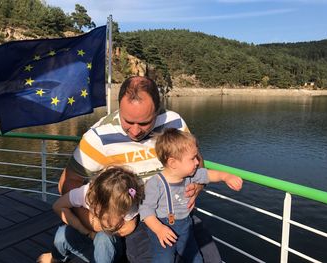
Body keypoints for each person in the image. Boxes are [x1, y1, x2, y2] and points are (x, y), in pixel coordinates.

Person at [58, 76, 229, 262]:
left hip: (178, 212)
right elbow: (68, 182)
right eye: (128, 121)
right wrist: (94, 222)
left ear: (157, 110)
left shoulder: (174, 122)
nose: (135, 131)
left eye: (145, 123)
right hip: (135, 220)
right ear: (119, 107)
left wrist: (198, 186)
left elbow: (195, 158)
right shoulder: (98, 138)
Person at [139, 128, 243, 263]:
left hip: (185, 227)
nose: (197, 162)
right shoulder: (156, 183)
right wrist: (159, 229)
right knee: (163, 259)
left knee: (195, 259)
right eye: (192, 158)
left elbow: (210, 174)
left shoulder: (190, 176)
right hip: (163, 230)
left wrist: (226, 176)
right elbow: (146, 210)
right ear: (173, 163)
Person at [37, 166, 144, 263]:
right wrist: (85, 230)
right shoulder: (85, 193)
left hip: (110, 249)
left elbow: (130, 226)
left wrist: (108, 229)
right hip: (87, 235)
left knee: (103, 239)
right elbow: (58, 206)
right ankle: (56, 258)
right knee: (62, 234)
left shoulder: (126, 201)